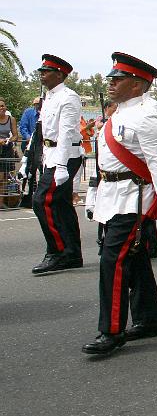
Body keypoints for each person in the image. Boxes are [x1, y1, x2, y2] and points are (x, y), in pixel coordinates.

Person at [82, 52, 157, 355]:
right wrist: (93, 196)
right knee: (135, 259)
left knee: (112, 262)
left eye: (118, 79)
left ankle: (111, 330)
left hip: (133, 198)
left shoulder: (146, 114)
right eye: (111, 78)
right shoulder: (119, 113)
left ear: (137, 85)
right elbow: (104, 163)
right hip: (112, 195)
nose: (110, 83)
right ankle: (148, 318)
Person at [28, 55, 84, 274]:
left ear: (59, 74)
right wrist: (30, 158)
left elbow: (67, 133)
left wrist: (60, 166)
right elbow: (41, 131)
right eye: (41, 70)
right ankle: (72, 253)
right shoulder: (49, 97)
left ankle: (57, 252)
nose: (41, 73)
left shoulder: (69, 97)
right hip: (50, 154)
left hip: (66, 156)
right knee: (61, 205)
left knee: (42, 201)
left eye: (46, 70)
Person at [0, 97, 19, 209]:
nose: (1, 108)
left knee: (4, 177)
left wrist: (8, 140)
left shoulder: (11, 119)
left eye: (3, 106)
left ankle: (1, 202)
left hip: (6, 150)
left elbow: (15, 135)